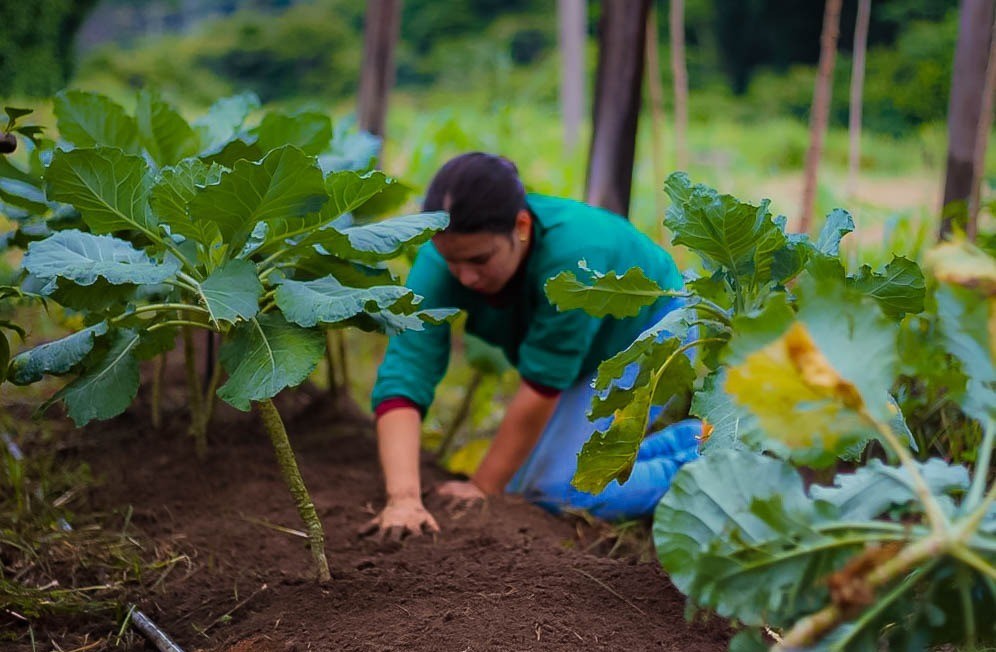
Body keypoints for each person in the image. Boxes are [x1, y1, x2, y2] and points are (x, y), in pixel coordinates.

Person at [362, 152, 701, 539]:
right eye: (451, 261)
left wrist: (483, 487)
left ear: (521, 226)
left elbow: (542, 386)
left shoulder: (571, 258)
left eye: (480, 260)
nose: (465, 277)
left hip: (653, 332)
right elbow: (406, 372)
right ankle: (691, 439)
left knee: (557, 490)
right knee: (524, 485)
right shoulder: (442, 261)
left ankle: (712, 460)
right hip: (585, 354)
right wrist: (403, 498)